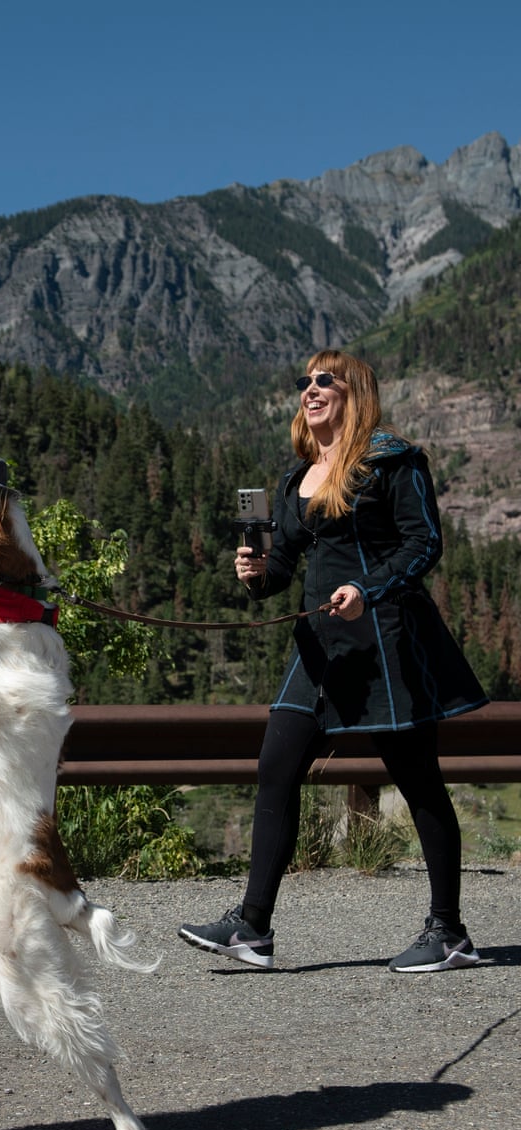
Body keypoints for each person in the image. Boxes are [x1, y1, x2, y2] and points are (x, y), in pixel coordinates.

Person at [178, 349, 488, 973]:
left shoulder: (391, 460)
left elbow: (424, 541)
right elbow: (283, 570)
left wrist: (366, 589)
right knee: (276, 764)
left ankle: (449, 931)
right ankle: (253, 928)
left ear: (356, 393)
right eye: (304, 382)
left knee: (417, 779)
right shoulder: (295, 482)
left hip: (388, 640)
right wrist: (257, 573)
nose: (310, 390)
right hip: (319, 648)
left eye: (326, 380)